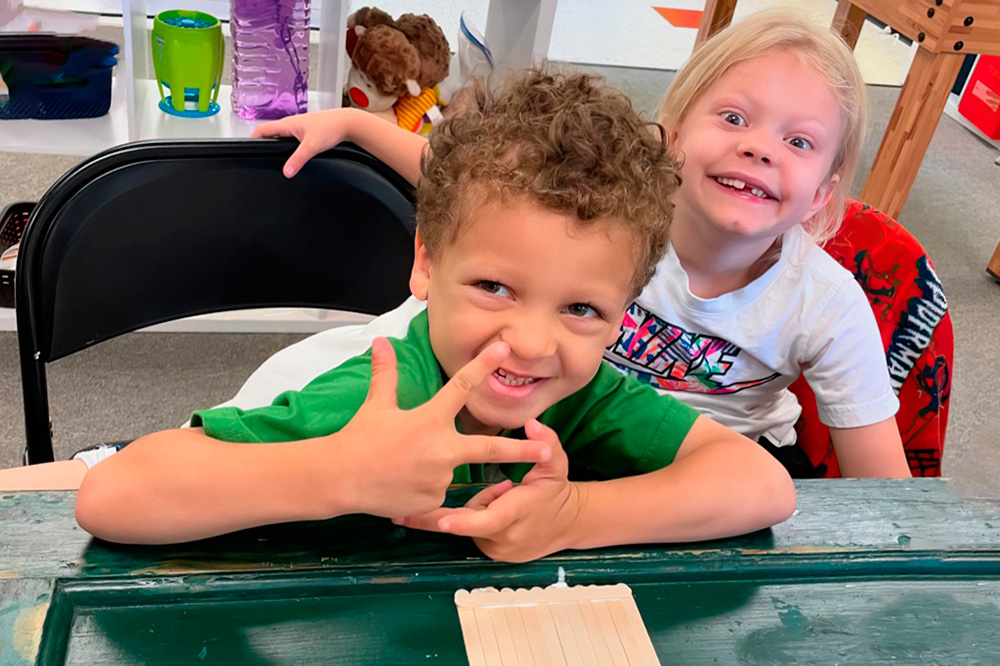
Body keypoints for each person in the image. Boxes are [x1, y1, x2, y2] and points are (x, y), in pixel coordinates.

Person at [71, 68, 796, 562]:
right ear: (425, 263)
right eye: (495, 288)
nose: (533, 343)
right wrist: (342, 473)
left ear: (621, 318)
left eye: (581, 308)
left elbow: (761, 485)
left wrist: (571, 517)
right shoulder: (374, 398)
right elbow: (116, 495)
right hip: (246, 437)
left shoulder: (585, 393)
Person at [243, 9, 911, 479]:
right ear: (670, 135)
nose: (759, 147)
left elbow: (888, 500)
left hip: (697, 471)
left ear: (824, 194)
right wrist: (358, 125)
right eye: (734, 117)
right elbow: (478, 183)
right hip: (557, 418)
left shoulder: (827, 304)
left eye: (798, 142)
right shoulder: (607, 222)